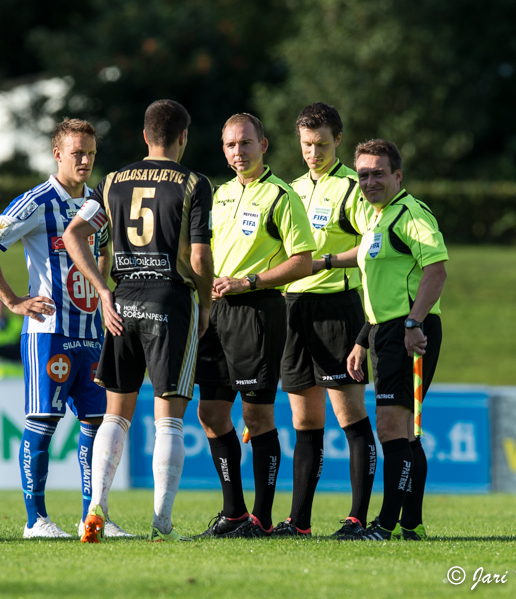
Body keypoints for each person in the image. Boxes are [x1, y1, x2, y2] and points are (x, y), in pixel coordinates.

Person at [0, 119, 130, 540]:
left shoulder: (98, 202)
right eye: (77, 153)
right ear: (57, 154)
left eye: (91, 153)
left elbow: (105, 253)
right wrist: (13, 301)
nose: (85, 160)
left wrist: (105, 294)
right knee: (43, 421)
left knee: (97, 425)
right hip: (49, 333)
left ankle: (93, 518)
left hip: (93, 332)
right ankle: (35, 521)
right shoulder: (37, 201)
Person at [65, 99, 214, 543]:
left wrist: (102, 290)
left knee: (116, 414)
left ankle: (95, 508)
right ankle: (161, 525)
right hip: (169, 300)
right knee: (168, 418)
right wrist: (205, 305)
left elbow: (74, 234)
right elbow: (201, 255)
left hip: (123, 300)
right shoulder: (194, 182)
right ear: (182, 137)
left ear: (145, 136)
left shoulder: (111, 181)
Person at [193, 113, 316, 539]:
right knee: (210, 413)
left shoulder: (281, 196)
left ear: (263, 145)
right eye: (230, 145)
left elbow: (302, 260)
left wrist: (250, 281)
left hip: (258, 310)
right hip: (215, 312)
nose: (238, 152)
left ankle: (261, 519)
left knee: (257, 415)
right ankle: (234, 513)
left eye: (246, 143)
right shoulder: (219, 194)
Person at [318, 139, 448, 541]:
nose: (369, 180)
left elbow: (437, 270)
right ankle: (411, 524)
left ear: (397, 175)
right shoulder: (377, 216)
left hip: (407, 332)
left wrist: (413, 323)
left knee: (392, 428)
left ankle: (384, 525)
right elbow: (376, 278)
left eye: (378, 173)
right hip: (384, 330)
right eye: (363, 174)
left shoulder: (410, 213)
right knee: (405, 432)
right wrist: (362, 339)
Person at [276, 103, 377, 538]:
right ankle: (299, 522)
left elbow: (372, 245)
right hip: (294, 310)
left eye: (320, 144)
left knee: (350, 417)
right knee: (304, 424)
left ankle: (357, 518)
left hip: (338, 309)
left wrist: (325, 262)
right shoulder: (292, 188)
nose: (312, 152)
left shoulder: (353, 188)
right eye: (305, 145)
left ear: (338, 140)